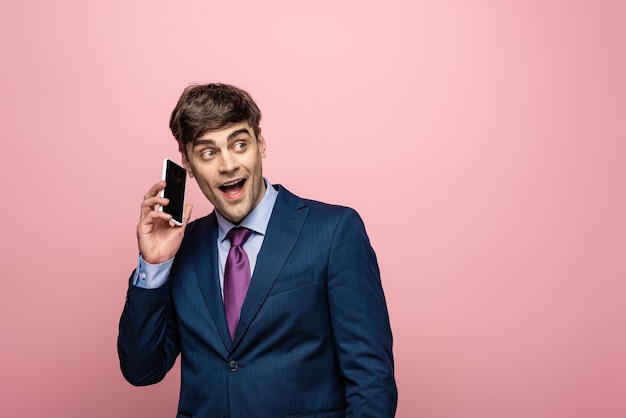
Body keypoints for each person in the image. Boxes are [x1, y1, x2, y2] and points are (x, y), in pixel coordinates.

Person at [118, 83, 398, 418]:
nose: (228, 165)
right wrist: (154, 264)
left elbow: (371, 381)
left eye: (239, 144)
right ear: (187, 164)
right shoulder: (182, 248)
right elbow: (141, 369)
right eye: (208, 152)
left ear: (260, 144)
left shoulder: (335, 231)